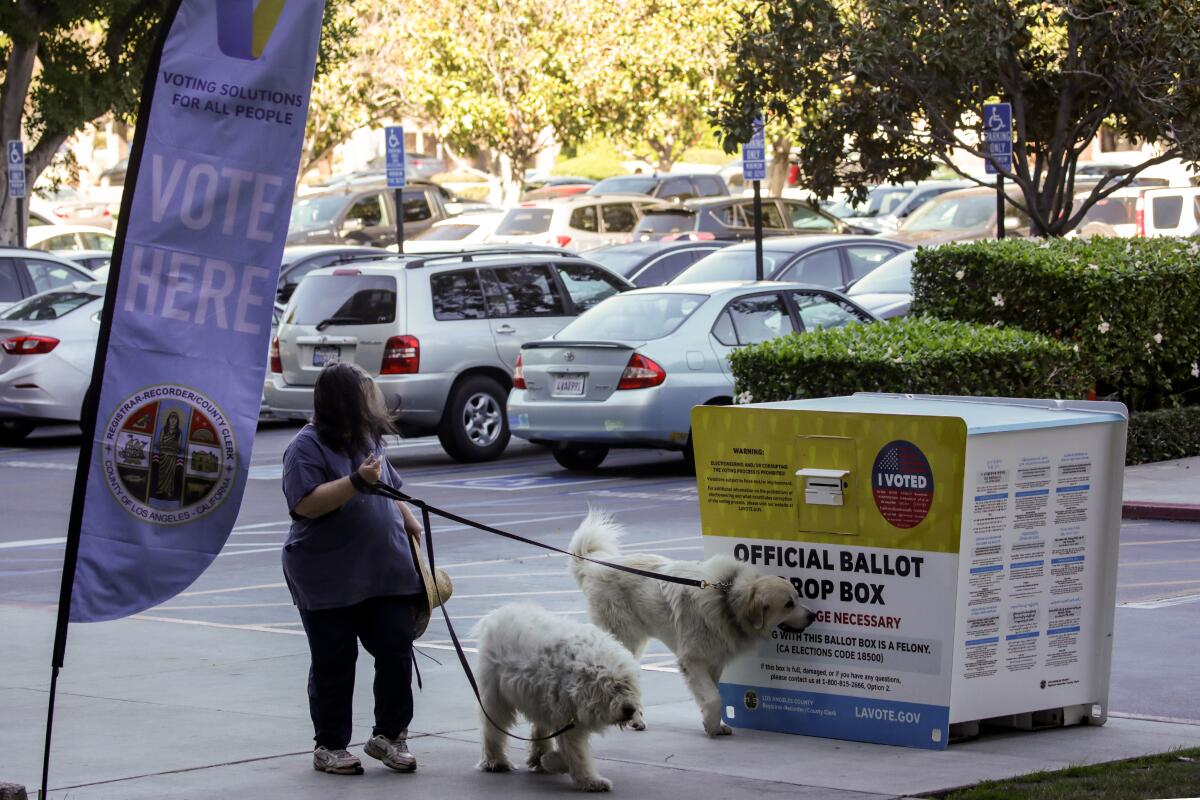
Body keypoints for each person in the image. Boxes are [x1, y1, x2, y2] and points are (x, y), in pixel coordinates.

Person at [281, 362, 426, 775]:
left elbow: (387, 484)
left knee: (396, 648)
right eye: (366, 393)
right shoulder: (304, 448)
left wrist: (406, 515)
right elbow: (306, 504)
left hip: (386, 572)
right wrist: (355, 483)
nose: (374, 400)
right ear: (345, 401)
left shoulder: (367, 438)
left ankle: (390, 735)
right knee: (334, 661)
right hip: (328, 576)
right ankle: (330, 745)